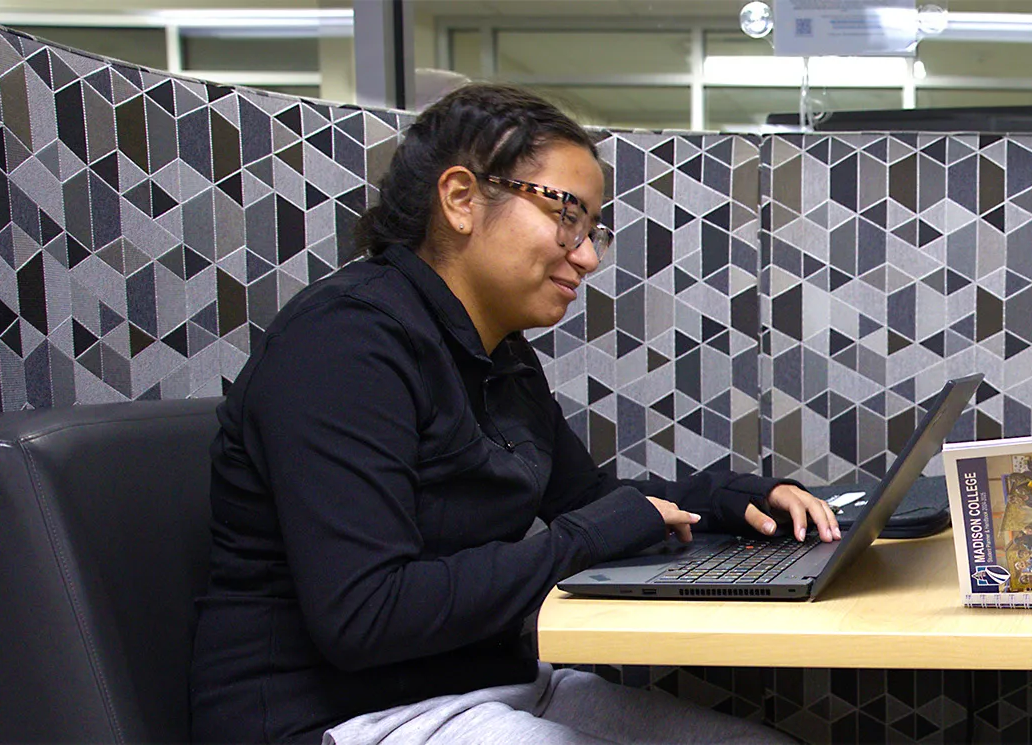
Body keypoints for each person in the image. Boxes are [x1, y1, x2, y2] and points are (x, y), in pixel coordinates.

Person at [189, 84, 839, 744]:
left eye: (593, 231)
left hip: (489, 685)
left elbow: (589, 502)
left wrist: (734, 499)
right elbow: (366, 614)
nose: (587, 256)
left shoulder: (499, 353)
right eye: (567, 216)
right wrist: (587, 537)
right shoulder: (345, 343)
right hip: (338, 716)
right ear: (461, 199)